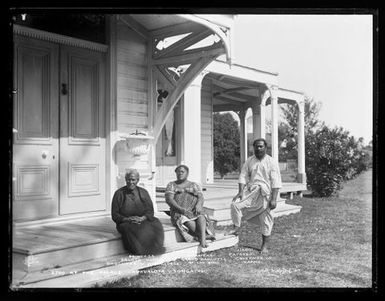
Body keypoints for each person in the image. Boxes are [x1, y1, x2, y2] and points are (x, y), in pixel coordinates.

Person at [227, 138, 282, 254]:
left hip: (265, 194)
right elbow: (242, 176)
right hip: (251, 192)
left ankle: (264, 246)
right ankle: (236, 228)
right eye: (256, 146)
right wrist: (240, 191)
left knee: (266, 220)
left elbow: (276, 181)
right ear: (253, 147)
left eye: (261, 146)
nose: (258, 148)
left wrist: (274, 199)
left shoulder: (271, 162)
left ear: (266, 148)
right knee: (235, 205)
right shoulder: (249, 161)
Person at [111, 169, 165, 255]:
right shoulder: (119, 193)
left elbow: (150, 211)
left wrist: (143, 218)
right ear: (125, 180)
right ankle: (140, 251)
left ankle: (156, 248)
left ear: (138, 180)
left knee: (156, 223)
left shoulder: (143, 192)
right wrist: (128, 219)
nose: (131, 182)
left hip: (142, 219)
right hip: (126, 222)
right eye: (128, 179)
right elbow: (115, 215)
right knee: (132, 228)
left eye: (133, 180)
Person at [165, 165, 215, 248]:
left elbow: (200, 197)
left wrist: (198, 205)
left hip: (193, 210)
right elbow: (169, 200)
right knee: (185, 220)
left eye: (182, 172)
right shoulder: (171, 185)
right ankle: (203, 236)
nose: (180, 173)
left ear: (187, 173)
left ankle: (202, 239)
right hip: (179, 212)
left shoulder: (194, 185)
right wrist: (181, 210)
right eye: (178, 172)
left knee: (201, 216)